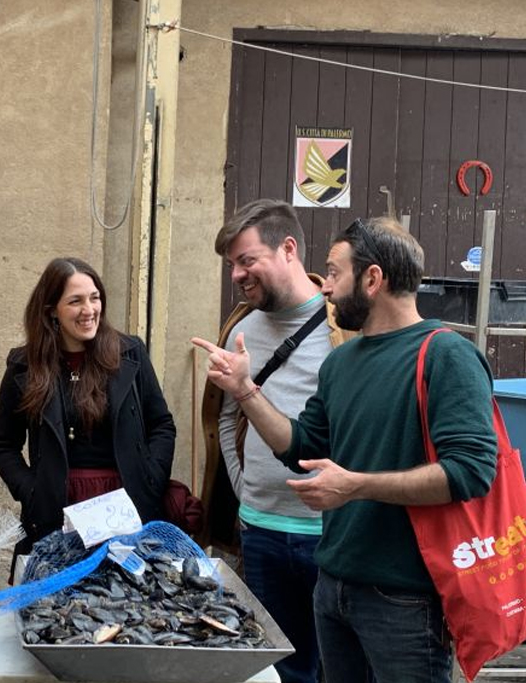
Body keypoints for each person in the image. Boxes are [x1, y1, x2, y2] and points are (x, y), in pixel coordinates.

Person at [192, 217, 497, 683]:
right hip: (334, 585)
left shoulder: (446, 355)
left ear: (372, 279)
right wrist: (246, 391)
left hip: (405, 597)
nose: (327, 288)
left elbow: (472, 472)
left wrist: (355, 486)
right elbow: (301, 447)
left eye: (335, 273)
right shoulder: (342, 362)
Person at [199, 199, 352, 683]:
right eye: (232, 266)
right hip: (260, 535)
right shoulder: (241, 328)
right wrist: (247, 491)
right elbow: (225, 418)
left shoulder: (344, 328)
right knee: (280, 671)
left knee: (340, 669)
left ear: (287, 249)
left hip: (331, 536)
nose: (237, 275)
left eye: (246, 260)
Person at [0, 257, 176, 574]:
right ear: (52, 310)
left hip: (125, 505)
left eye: (95, 297)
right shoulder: (25, 366)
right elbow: (3, 444)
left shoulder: (130, 353)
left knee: (124, 601)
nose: (89, 310)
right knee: (59, 607)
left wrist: (151, 478)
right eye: (75, 301)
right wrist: (31, 492)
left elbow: (162, 425)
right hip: (56, 507)